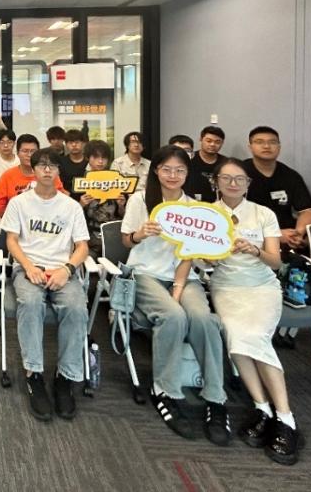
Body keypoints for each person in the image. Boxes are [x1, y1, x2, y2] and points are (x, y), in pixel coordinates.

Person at [121, 146, 230, 444]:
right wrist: (141, 234)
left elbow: (192, 254)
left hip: (184, 275)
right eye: (166, 169)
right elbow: (126, 241)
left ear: (187, 173)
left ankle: (215, 397)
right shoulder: (140, 200)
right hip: (145, 273)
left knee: (205, 320)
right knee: (172, 316)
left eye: (180, 170)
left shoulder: (194, 207)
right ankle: (165, 390)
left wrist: (179, 286)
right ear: (156, 170)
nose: (173, 175)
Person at [207, 158, 301, 464]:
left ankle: (285, 418)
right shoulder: (207, 214)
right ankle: (262, 407)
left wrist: (255, 250)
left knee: (255, 336)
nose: (233, 184)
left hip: (261, 287)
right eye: (226, 178)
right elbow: (204, 260)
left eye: (240, 179)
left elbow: (275, 261)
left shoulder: (264, 214)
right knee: (236, 338)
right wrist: (210, 255)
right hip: (226, 287)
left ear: (248, 183)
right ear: (216, 182)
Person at [1, 149, 90, 422]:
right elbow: (11, 240)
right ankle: (34, 374)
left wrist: (67, 269)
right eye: (42, 165)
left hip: (62, 270)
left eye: (52, 166)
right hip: (29, 268)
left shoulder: (71, 207)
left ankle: (65, 377)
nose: (47, 170)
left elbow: (82, 247)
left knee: (76, 307)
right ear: (34, 169)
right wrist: (28, 267)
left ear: (59, 171)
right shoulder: (19, 203)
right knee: (30, 302)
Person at [242, 126, 311, 252]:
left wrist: (298, 233)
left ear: (279, 147)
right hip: (250, 239)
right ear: (250, 147)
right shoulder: (238, 174)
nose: (266, 146)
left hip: (287, 239)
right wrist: (275, 235)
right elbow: (231, 216)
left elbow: (308, 210)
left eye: (272, 142)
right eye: (259, 142)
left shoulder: (291, 175)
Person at [0, 134, 65, 218]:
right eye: (25, 151)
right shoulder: (7, 176)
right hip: (15, 220)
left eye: (33, 151)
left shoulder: (49, 174)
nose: (29, 155)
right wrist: (16, 215)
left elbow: (61, 199)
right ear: (17, 153)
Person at [78, 140, 118, 246]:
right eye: (96, 157)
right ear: (88, 157)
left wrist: (121, 205)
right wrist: (81, 204)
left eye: (104, 158)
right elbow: (71, 213)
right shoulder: (80, 180)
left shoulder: (116, 179)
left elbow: (123, 213)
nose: (100, 161)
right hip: (88, 234)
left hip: (112, 232)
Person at [184, 126, 224, 202]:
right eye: (208, 141)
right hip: (190, 203)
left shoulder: (225, 163)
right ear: (201, 139)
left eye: (217, 142)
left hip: (218, 205)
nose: (212, 144)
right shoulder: (189, 159)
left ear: (222, 143)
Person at [59, 129, 89, 199]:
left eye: (77, 142)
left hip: (88, 199)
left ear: (83, 143)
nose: (74, 145)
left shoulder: (90, 161)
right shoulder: (60, 162)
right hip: (67, 200)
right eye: (70, 143)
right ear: (66, 145)